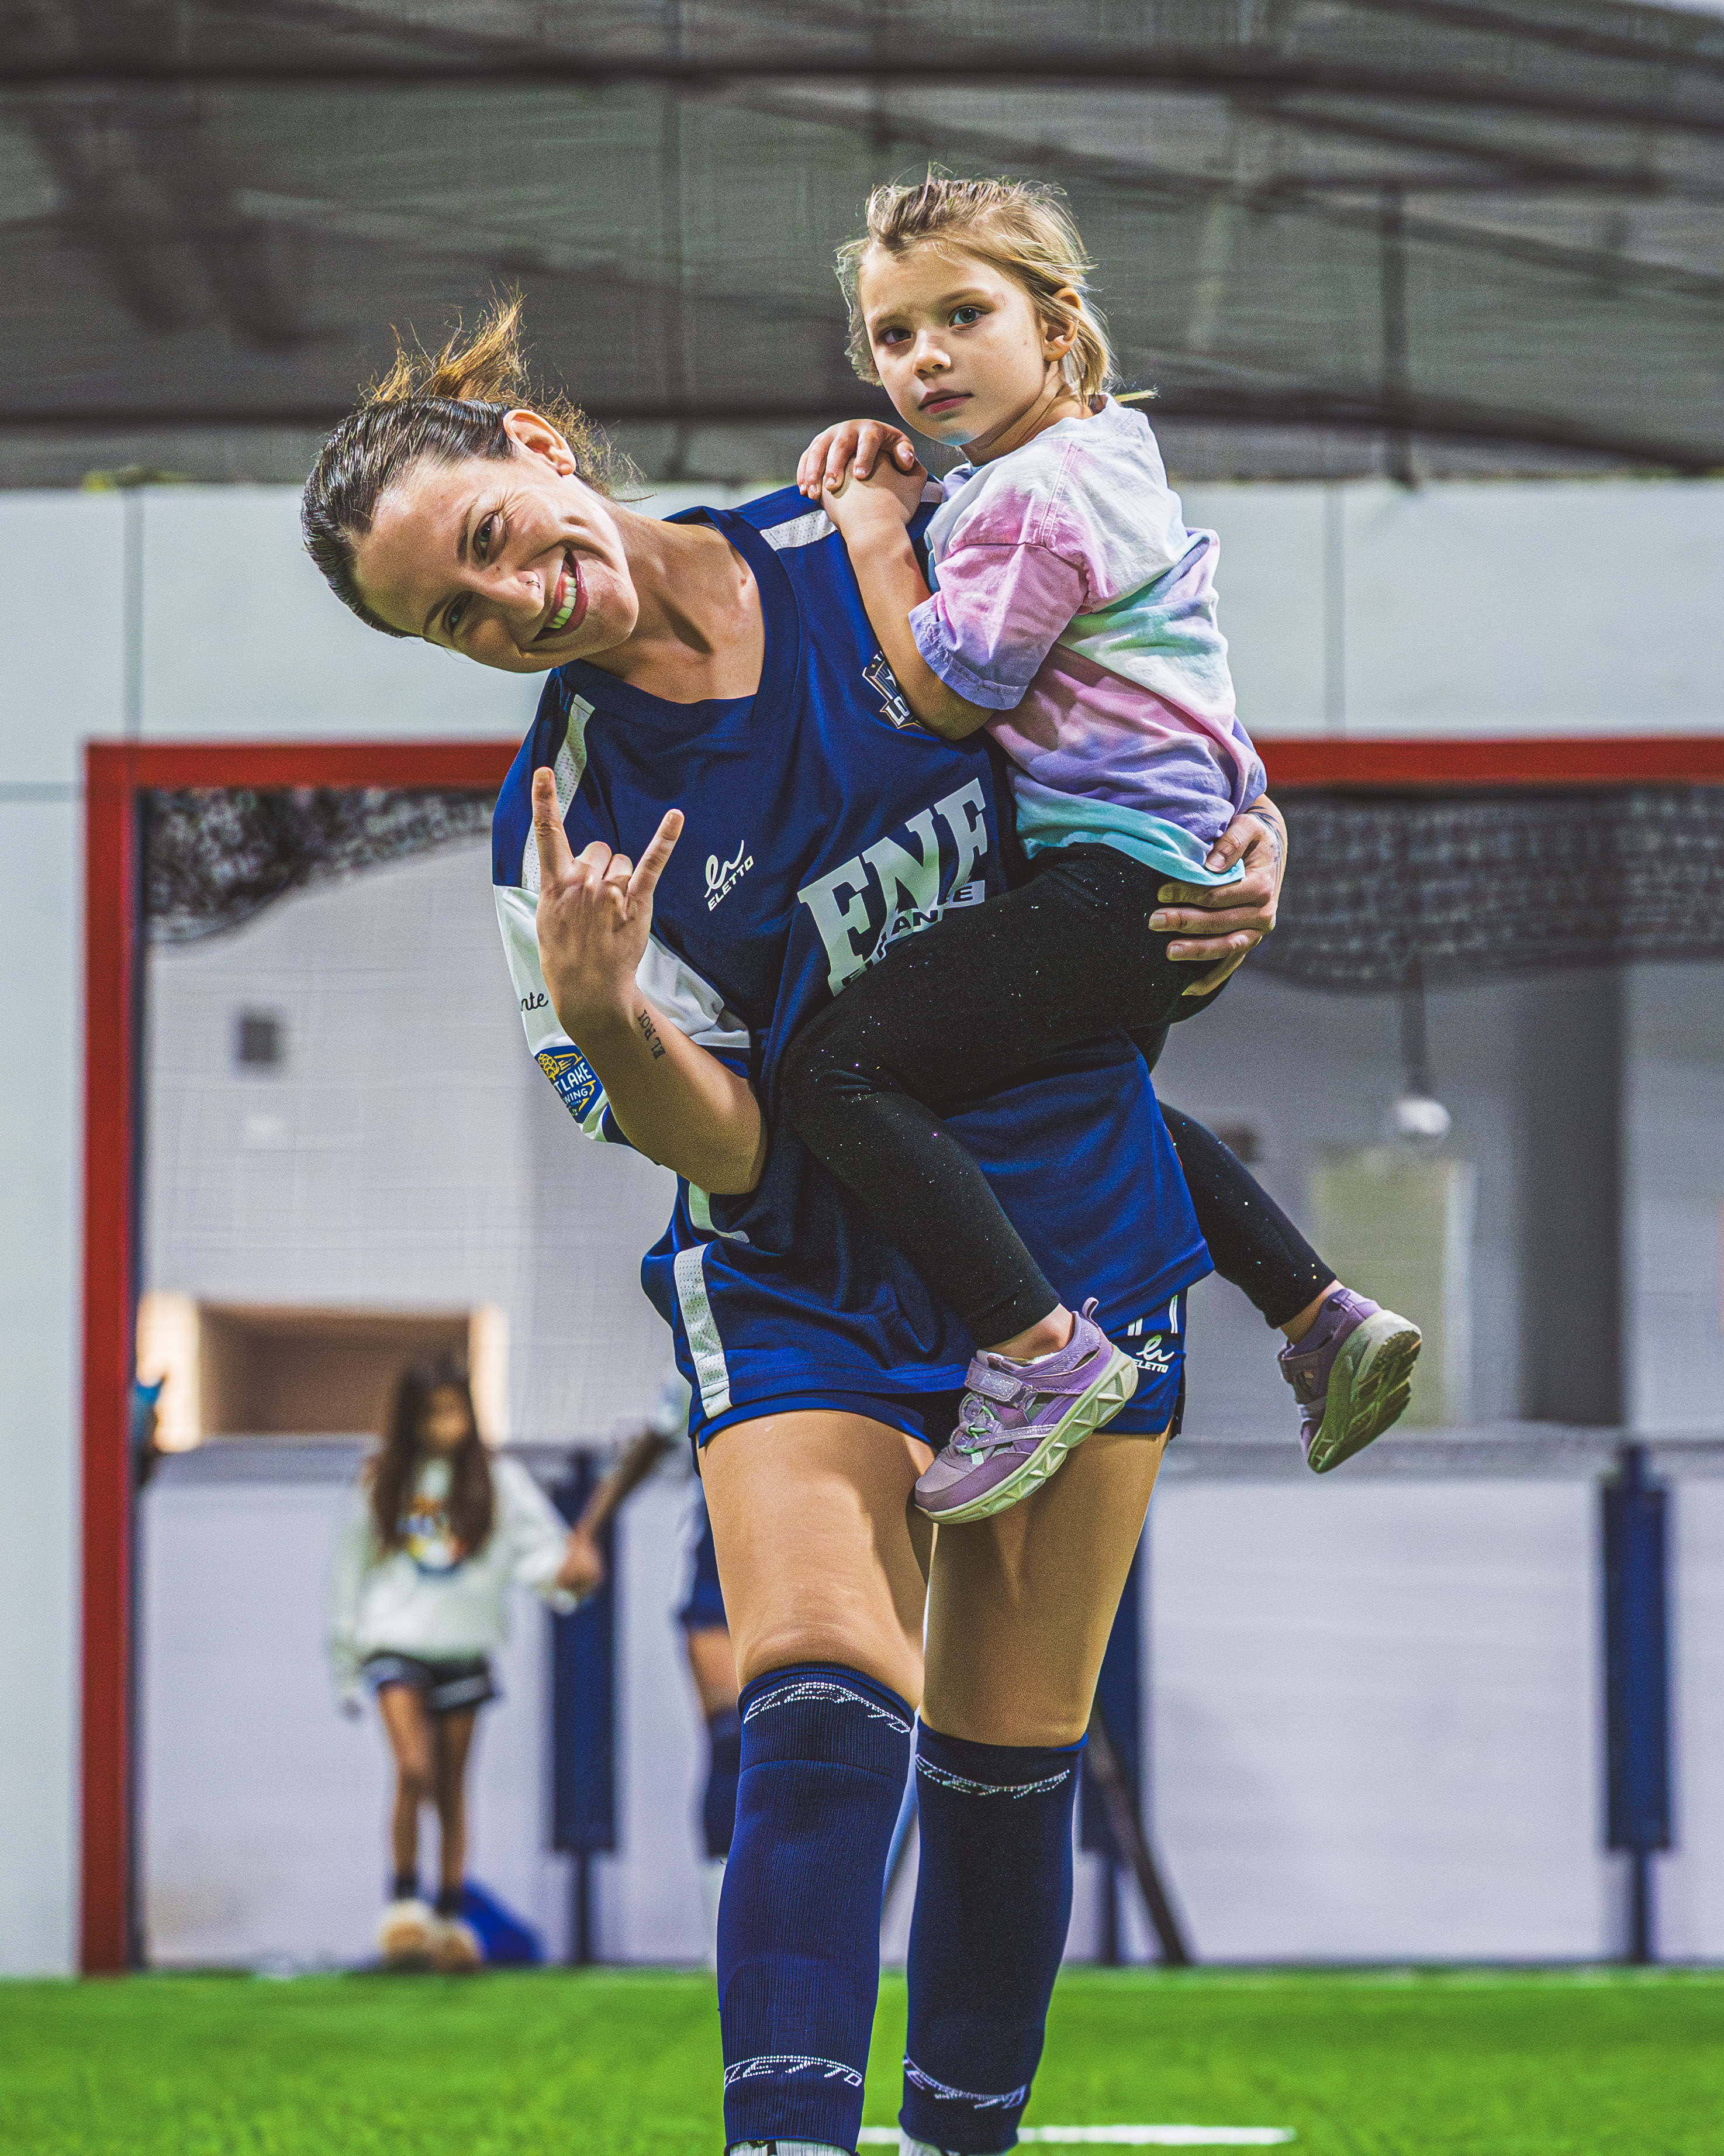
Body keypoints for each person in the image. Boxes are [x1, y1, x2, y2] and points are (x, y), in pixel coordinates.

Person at [299, 297, 1278, 2156]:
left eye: (491, 539)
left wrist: (1246, 842)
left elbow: (1144, 709)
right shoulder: (561, 831)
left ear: (536, 448)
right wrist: (609, 1019)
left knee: (1007, 1759)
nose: (509, 602)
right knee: (817, 1695)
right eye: (455, 617)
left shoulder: (878, 534)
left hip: (1066, 1216)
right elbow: (738, 1153)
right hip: (804, 1272)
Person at [780, 173, 1419, 1519]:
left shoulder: (1031, 498)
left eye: (964, 315)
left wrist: (873, 528)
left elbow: (951, 690)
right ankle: (1318, 1313)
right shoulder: (1107, 451)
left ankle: (1037, 1350)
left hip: (1116, 880)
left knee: (836, 1068)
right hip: (1169, 865)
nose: (926, 356)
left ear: (1057, 325)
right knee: (1085, 1096)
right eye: (894, 335)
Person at [328, 1355, 600, 1971]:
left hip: (465, 1649)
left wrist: (571, 1577)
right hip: (394, 1645)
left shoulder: (499, 1483)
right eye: (430, 1413)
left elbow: (542, 1555)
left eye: (452, 1410)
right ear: (409, 1418)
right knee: (413, 1770)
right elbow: (348, 1574)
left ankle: (450, 1917)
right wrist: (346, 1664)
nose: (442, 1424)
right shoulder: (382, 1481)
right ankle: (404, 1906)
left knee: (452, 1788)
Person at [562, 1368, 740, 1933]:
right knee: (733, 1742)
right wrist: (587, 1529)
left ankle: (800, 1921)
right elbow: (653, 1439)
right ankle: (723, 1927)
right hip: (716, 1580)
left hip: (808, 1575)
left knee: (805, 1747)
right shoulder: (710, 1344)